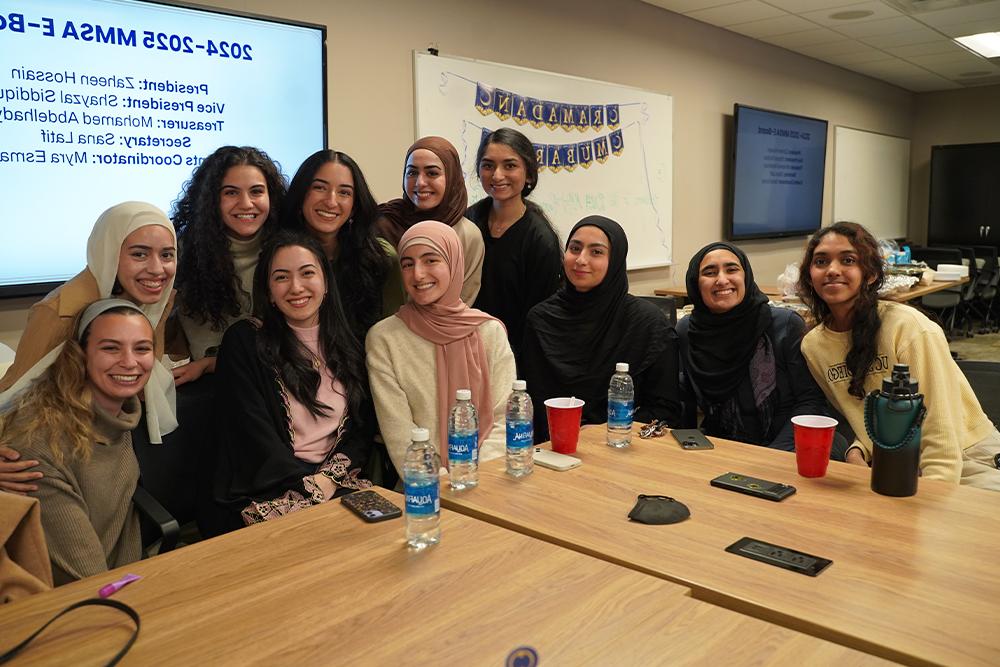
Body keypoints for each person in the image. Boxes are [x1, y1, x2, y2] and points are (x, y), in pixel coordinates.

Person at [798, 221, 1000, 489]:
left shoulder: (908, 327)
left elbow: (940, 431)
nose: (833, 270)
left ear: (869, 274)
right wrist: (859, 450)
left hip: (966, 458)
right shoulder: (814, 346)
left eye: (848, 260)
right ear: (810, 275)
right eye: (821, 261)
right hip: (891, 461)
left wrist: (934, 495)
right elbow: (864, 413)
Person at [0, 202, 178, 493]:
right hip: (63, 459)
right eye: (139, 254)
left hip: (117, 441)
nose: (157, 269)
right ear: (108, 252)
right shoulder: (60, 311)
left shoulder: (155, 298)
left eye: (167, 255)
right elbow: (14, 393)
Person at [213, 230, 374, 531]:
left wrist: (328, 479)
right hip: (266, 488)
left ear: (325, 282)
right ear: (268, 291)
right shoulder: (245, 341)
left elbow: (361, 431)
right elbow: (250, 434)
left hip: (335, 482)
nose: (296, 287)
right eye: (281, 277)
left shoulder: (351, 344)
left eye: (307, 273)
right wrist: (307, 488)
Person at [0, 300, 155, 584]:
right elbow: (85, 577)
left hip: (128, 578)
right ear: (80, 355)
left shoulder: (118, 413)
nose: (130, 361)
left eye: (142, 348)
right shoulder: (39, 446)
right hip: (82, 600)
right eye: (110, 348)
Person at [366, 221, 516, 476]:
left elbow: (505, 419)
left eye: (431, 260)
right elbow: (400, 434)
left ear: (454, 262)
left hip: (491, 480)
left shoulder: (489, 331)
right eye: (408, 264)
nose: (418, 274)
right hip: (422, 490)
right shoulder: (384, 338)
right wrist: (444, 485)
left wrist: (471, 478)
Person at [521, 215, 681, 442]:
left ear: (615, 260)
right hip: (553, 448)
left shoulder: (647, 324)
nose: (581, 260)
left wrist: (602, 432)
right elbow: (533, 404)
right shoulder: (540, 319)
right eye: (574, 249)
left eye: (596, 252)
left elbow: (665, 411)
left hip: (625, 446)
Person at [676, 243, 829, 451]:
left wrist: (772, 456)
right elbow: (684, 400)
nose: (722, 280)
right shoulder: (688, 331)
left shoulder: (784, 325)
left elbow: (810, 402)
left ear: (746, 276)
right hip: (717, 447)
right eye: (710, 273)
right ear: (696, 283)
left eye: (731, 270)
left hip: (784, 448)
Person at [168, 145, 286, 385]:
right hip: (206, 385)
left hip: (274, 377)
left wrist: (212, 364)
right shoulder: (181, 252)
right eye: (231, 193)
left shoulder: (289, 250)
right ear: (212, 199)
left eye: (256, 191)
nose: (246, 203)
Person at [281, 149, 405, 339]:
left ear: (355, 205)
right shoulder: (276, 256)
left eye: (344, 192)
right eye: (319, 188)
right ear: (301, 193)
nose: (331, 201)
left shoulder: (381, 256)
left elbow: (394, 333)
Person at [466, 128, 562, 364]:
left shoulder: (540, 239)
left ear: (528, 174)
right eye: (488, 165)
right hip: (466, 347)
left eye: (509, 166)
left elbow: (539, 318)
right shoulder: (468, 221)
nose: (497, 175)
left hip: (515, 358)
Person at [377, 136, 484, 305]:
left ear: (452, 177)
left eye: (432, 173)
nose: (420, 182)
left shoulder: (467, 234)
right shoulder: (384, 224)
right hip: (389, 327)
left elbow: (464, 298)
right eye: (412, 172)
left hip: (448, 328)